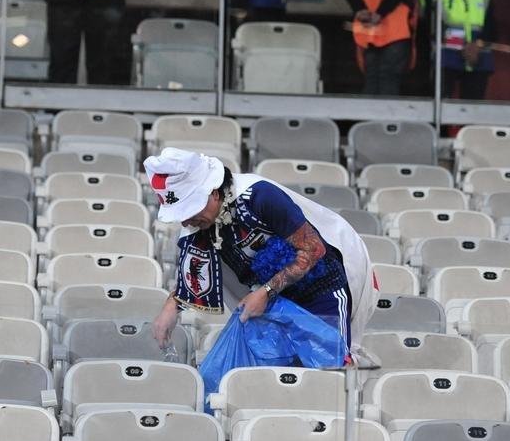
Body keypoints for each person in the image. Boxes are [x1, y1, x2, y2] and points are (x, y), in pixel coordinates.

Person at [146, 148, 374, 356]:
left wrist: (266, 292)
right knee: (282, 379)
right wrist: (170, 308)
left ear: (214, 193)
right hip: (275, 303)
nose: (186, 222)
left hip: (322, 291)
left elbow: (313, 249)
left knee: (330, 373)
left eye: (190, 209)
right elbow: (194, 277)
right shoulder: (200, 225)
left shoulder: (259, 196)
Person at [418, 0, 497, 100]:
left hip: (478, 59)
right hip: (446, 58)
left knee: (473, 113)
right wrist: (463, 46)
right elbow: (431, 25)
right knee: (441, 110)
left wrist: (477, 46)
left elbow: (492, 27)